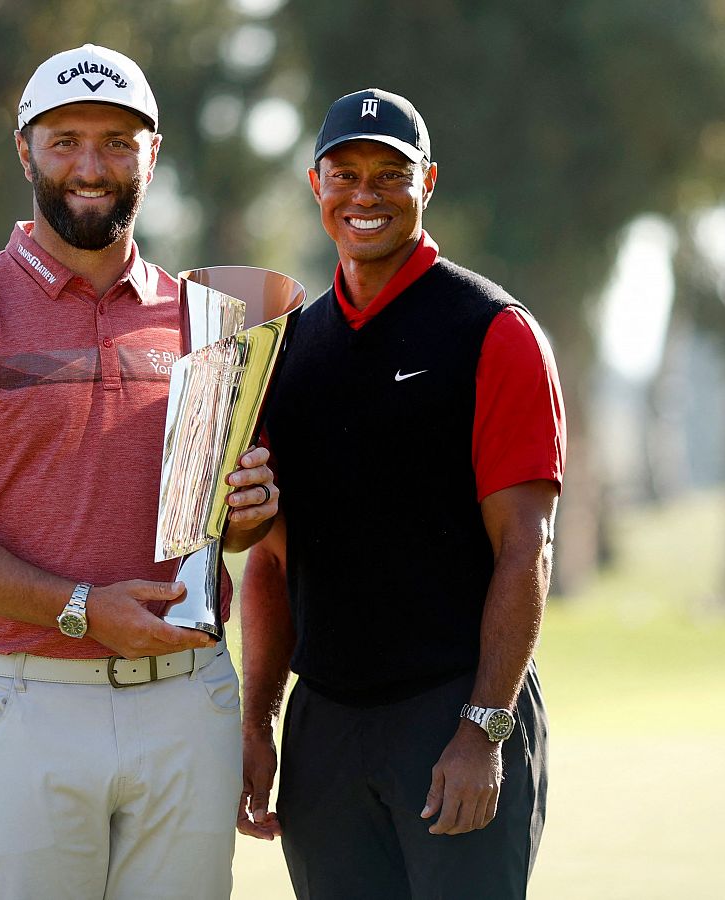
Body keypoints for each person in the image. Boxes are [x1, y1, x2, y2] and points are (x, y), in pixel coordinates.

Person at [0, 44, 276, 900]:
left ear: (152, 154)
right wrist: (82, 610)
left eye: (118, 143)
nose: (91, 166)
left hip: (185, 697)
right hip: (22, 700)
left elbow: (220, 530)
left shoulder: (208, 319)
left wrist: (247, 513)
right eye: (65, 140)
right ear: (25, 150)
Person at [237, 88, 566, 899]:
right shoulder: (289, 349)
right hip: (326, 727)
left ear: (429, 184)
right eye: (345, 173)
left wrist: (483, 729)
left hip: (452, 713)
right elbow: (274, 565)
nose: (365, 195)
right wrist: (257, 719)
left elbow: (526, 546)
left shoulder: (494, 331)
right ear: (316, 185)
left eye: (391, 175)